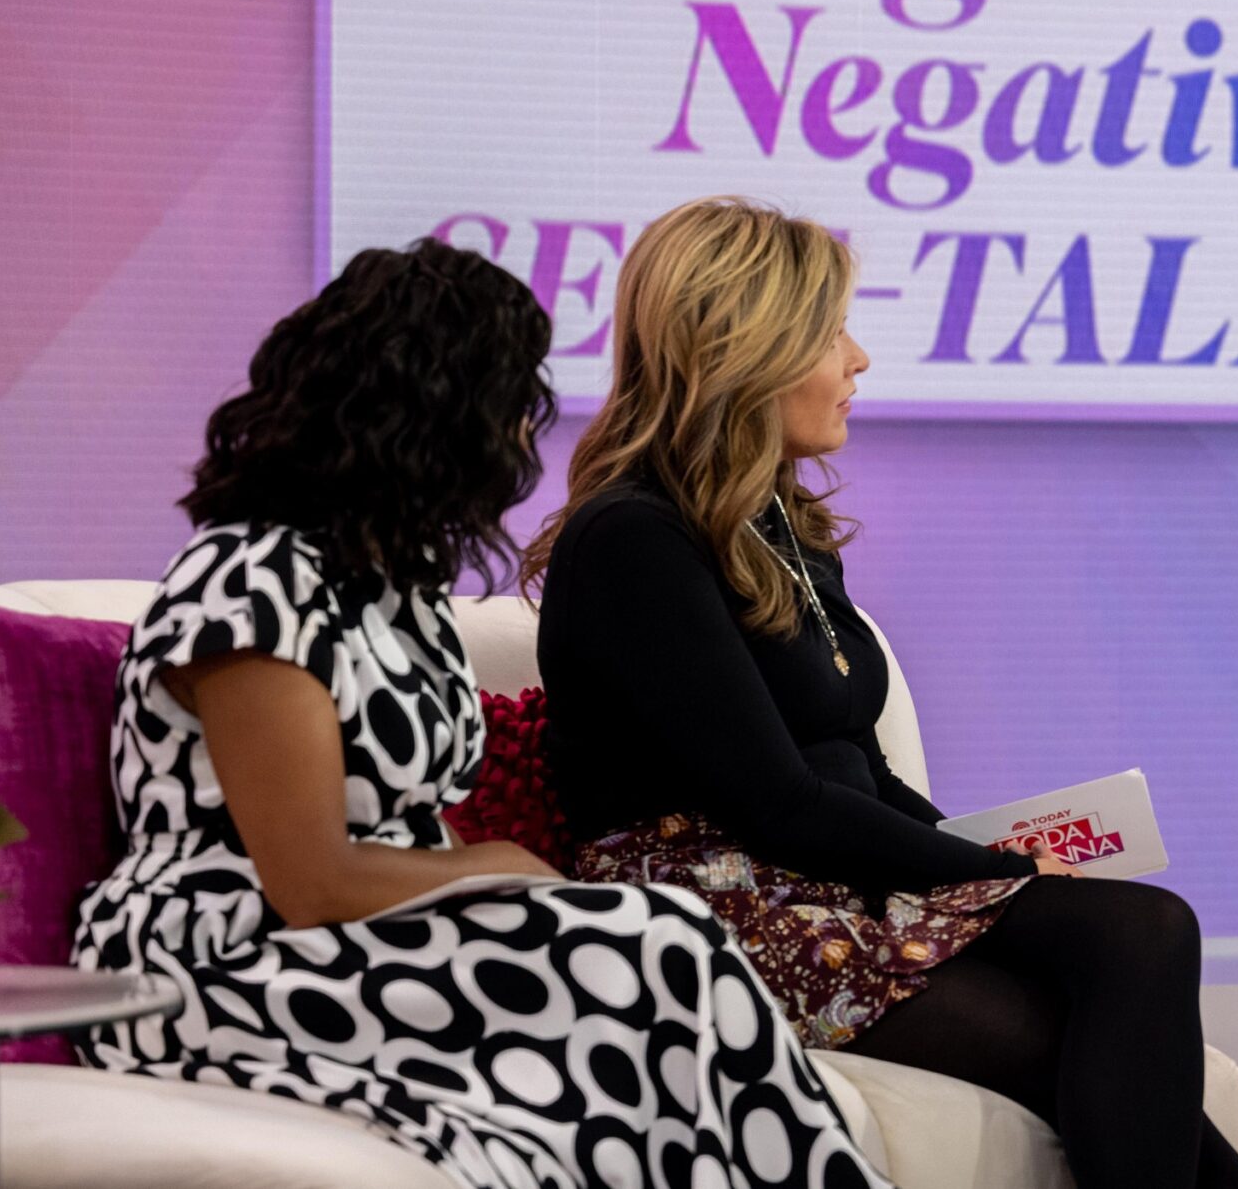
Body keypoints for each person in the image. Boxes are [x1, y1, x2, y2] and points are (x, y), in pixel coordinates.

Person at [74, 241, 885, 1189]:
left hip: (378, 930)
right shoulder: (249, 584)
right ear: (419, 412)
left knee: (671, 949)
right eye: (505, 401)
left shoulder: (390, 590)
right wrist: (496, 868)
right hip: (227, 955)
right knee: (658, 947)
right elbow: (311, 880)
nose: (519, 433)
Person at [527, 197, 1238, 1189]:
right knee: (1142, 937)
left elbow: (859, 775)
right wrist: (991, 868)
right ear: (751, 347)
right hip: (712, 910)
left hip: (815, 885)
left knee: (1130, 1004)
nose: (859, 358)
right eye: (832, 332)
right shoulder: (633, 538)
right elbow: (776, 802)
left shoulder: (780, 520)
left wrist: (993, 858)